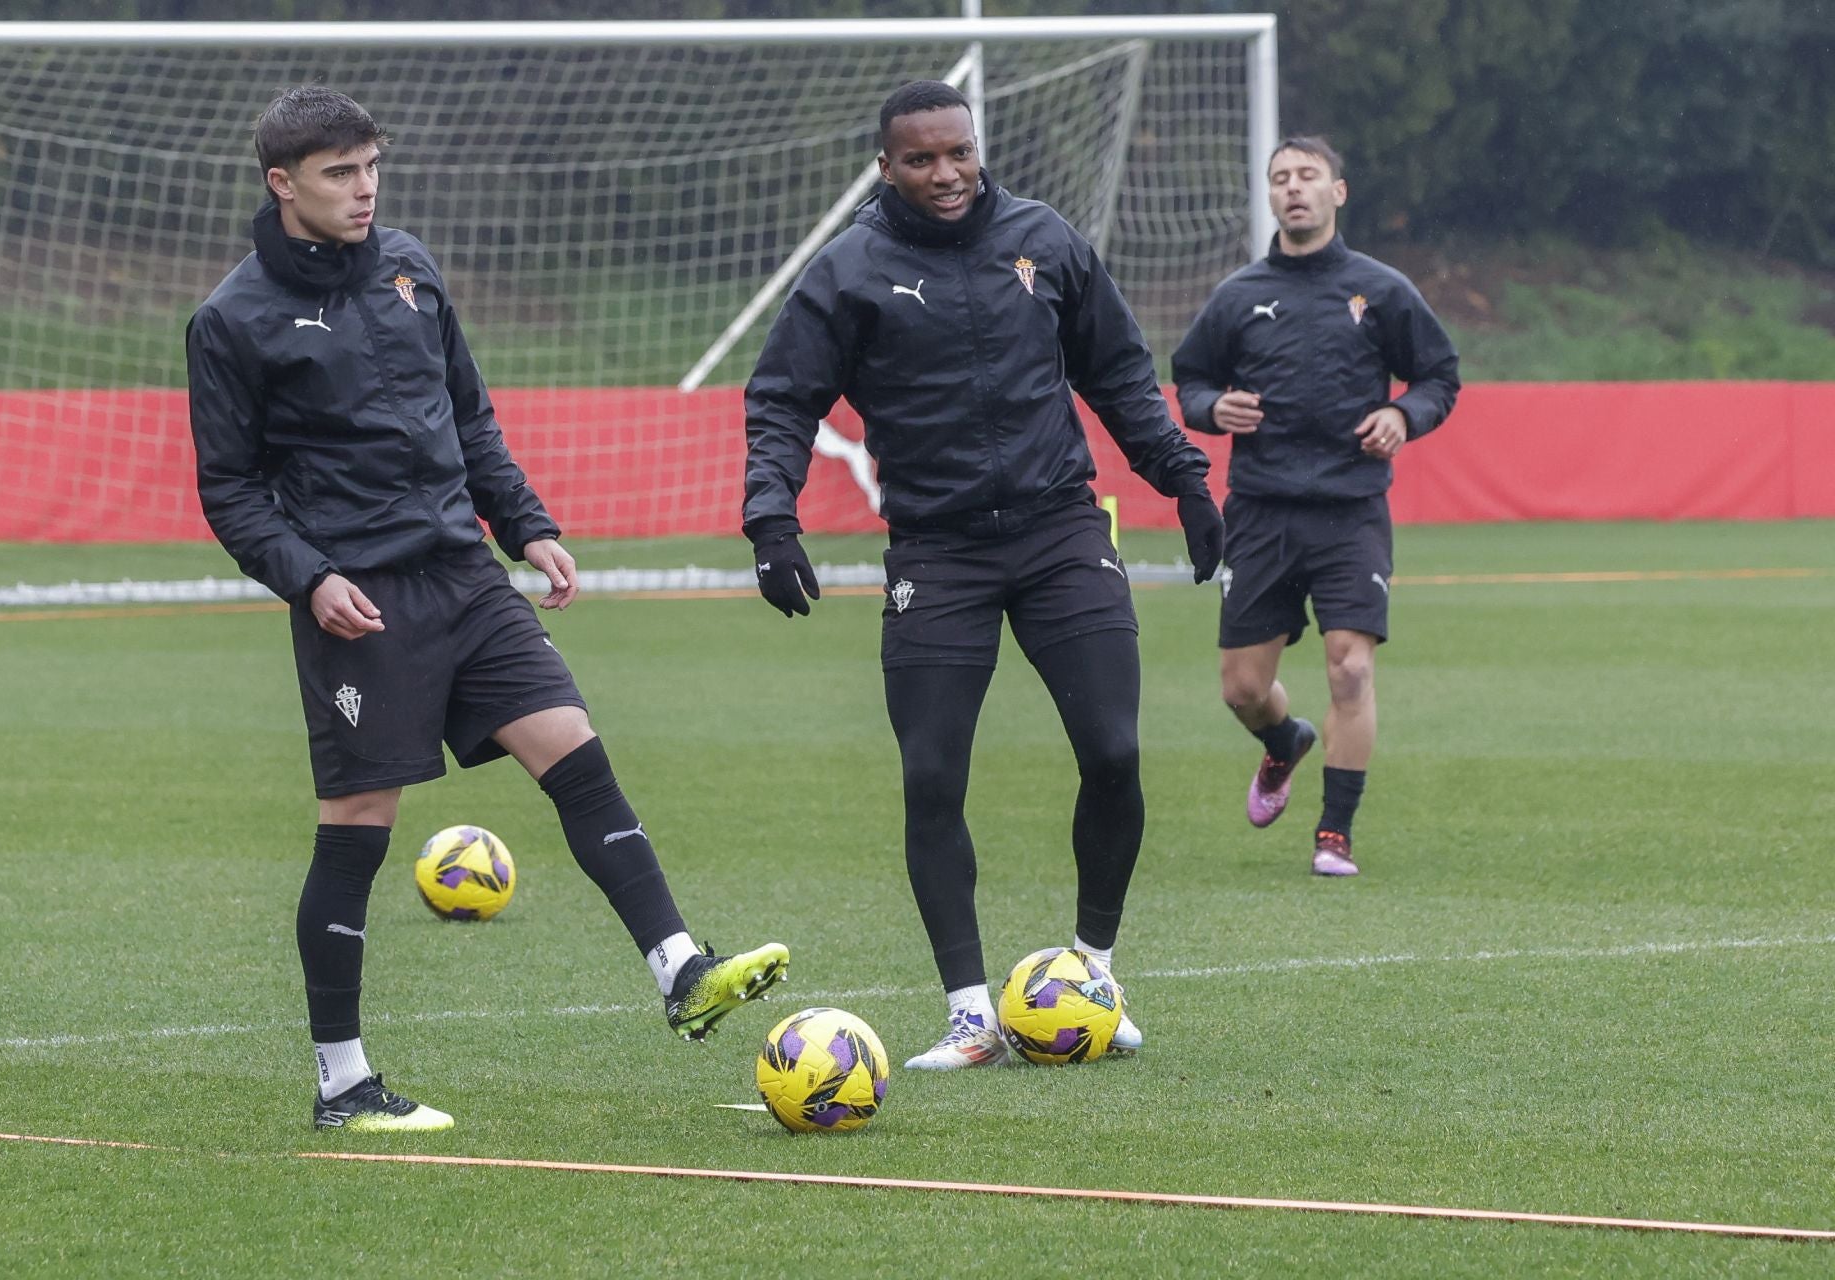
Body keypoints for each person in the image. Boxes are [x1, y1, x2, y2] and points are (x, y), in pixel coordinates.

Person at [186, 86, 788, 1133]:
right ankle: (342, 1081)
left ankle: (681, 967)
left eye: (372, 166)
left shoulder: (412, 268)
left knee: (575, 750)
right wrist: (309, 577)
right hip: (359, 602)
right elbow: (230, 488)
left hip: (466, 576)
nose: (364, 189)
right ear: (282, 184)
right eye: (340, 173)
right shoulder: (232, 318)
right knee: (358, 833)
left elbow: (468, 416)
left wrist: (528, 525)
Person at [742, 81, 1224, 1070]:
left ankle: (1089, 971)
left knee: (1115, 752)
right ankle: (969, 1012)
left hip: (1059, 532)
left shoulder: (1045, 241)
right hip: (938, 550)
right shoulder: (850, 271)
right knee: (931, 776)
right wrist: (770, 518)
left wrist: (1184, 478)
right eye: (921, 159)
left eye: (958, 152)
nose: (947, 173)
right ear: (886, 167)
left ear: (978, 146)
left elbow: (1121, 373)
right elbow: (784, 400)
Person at [1171, 135, 1461, 878]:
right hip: (1261, 512)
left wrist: (1404, 416)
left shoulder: (1382, 290)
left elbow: (1438, 377)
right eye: (1280, 178)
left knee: (1350, 670)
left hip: (1351, 510)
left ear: (1339, 191)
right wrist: (1211, 407)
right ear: (1269, 196)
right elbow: (1190, 379)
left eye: (1308, 176)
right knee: (1241, 688)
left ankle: (1335, 832)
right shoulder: (1239, 295)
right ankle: (1283, 742)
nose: (1293, 188)